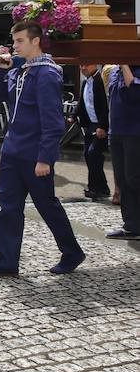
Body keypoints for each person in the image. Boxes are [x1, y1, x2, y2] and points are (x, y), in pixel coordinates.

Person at [0, 21, 84, 277]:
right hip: (12, 152)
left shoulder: (46, 73)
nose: (14, 46)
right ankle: (7, 261)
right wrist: (0, 71)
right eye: (13, 41)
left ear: (35, 41)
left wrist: (45, 158)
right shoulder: (18, 70)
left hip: (34, 154)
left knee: (47, 206)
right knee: (9, 207)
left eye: (19, 41)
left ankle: (72, 252)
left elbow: (53, 121)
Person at [104, 65, 140, 240]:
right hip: (116, 131)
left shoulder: (131, 69)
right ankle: (131, 225)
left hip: (135, 132)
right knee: (123, 179)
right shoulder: (114, 71)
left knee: (135, 178)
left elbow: (134, 92)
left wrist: (125, 64)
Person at [75, 64, 110, 200]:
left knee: (93, 154)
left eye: (86, 65)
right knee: (89, 155)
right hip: (90, 124)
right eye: (81, 65)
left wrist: (102, 126)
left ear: (94, 65)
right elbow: (82, 103)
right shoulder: (85, 82)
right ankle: (99, 187)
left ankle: (97, 188)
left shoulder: (99, 82)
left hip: (100, 125)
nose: (83, 68)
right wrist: (74, 115)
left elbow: (104, 105)